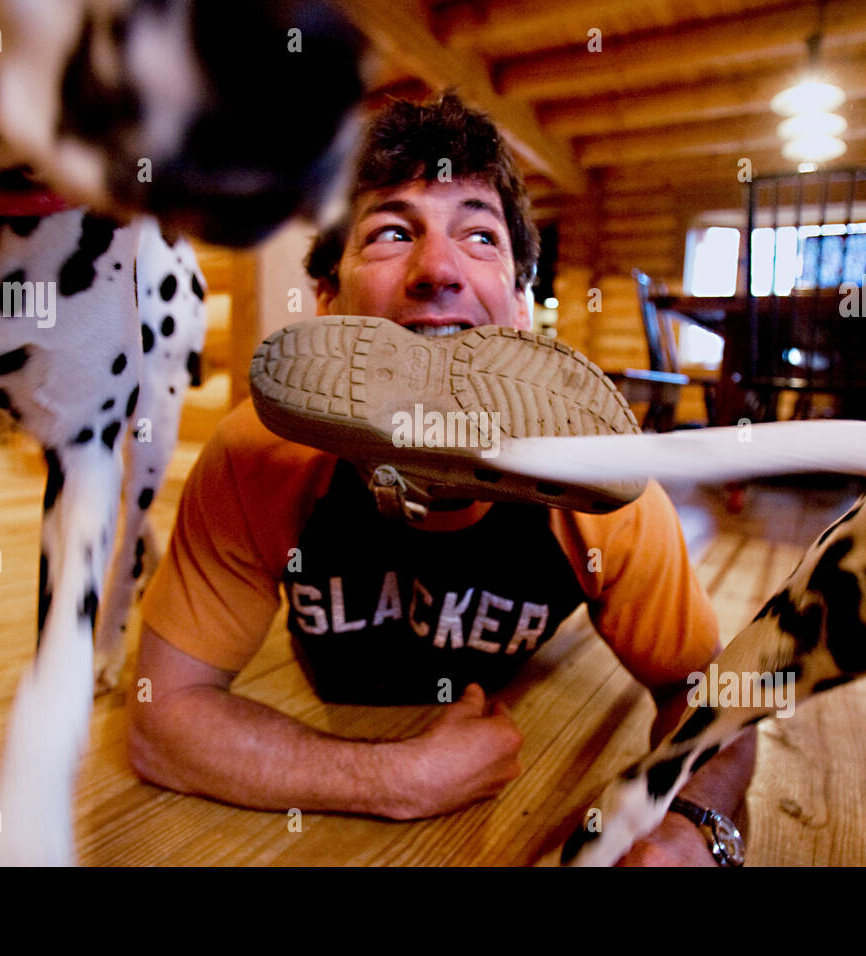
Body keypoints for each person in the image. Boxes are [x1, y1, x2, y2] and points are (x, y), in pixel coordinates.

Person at [127, 92, 756, 866]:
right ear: (328, 300)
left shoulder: (601, 495)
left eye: (480, 237)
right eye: (393, 232)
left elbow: (714, 691)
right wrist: (398, 778)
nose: (438, 269)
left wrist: (697, 825)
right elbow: (161, 721)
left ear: (520, 309)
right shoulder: (258, 454)